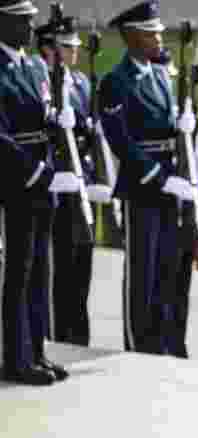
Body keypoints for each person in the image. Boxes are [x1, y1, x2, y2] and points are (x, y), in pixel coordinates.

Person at [99, 1, 197, 357]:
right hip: (142, 185)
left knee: (166, 265)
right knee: (142, 267)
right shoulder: (115, 82)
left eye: (158, 32)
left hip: (169, 179)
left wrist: (182, 127)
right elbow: (120, 141)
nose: (159, 39)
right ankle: (137, 340)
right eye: (151, 33)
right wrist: (159, 176)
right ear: (132, 37)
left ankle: (162, 340)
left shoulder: (158, 75)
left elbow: (164, 126)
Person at [1, 0, 76, 385]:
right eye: (22, 22)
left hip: (42, 179)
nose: (30, 29)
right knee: (18, 271)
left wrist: (57, 119)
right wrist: (37, 173)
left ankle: (36, 350)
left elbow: (41, 115)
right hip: (14, 180)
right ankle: (15, 356)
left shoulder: (33, 66)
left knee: (38, 271)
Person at [46, 22, 108, 348]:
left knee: (82, 262)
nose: (74, 52)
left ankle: (78, 335)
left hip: (81, 182)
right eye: (66, 47)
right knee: (60, 268)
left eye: (75, 47)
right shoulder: (47, 82)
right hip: (58, 184)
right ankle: (56, 334)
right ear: (50, 50)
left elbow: (86, 136)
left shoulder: (82, 83)